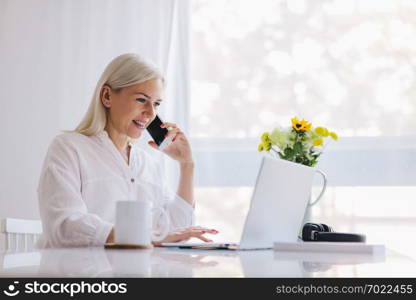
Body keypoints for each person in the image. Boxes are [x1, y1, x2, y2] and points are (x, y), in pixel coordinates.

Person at [37, 53, 218, 247]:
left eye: (156, 104)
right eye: (141, 100)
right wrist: (143, 235)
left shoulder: (148, 163)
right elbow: (64, 226)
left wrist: (187, 165)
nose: (151, 113)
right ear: (107, 96)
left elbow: (176, 230)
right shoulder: (69, 148)